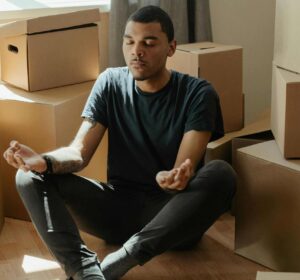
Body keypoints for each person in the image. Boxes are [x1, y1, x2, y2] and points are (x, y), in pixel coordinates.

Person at [3, 5, 236, 280]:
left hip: (171, 217)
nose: (137, 51)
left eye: (148, 43)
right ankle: (85, 270)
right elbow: (79, 153)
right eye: (130, 42)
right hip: (116, 210)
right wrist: (44, 161)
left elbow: (181, 170)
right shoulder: (110, 82)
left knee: (222, 173)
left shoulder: (198, 93)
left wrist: (174, 177)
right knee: (27, 177)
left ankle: (117, 262)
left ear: (171, 48)